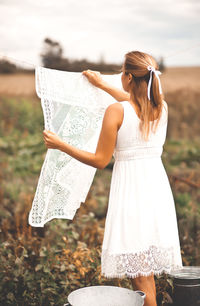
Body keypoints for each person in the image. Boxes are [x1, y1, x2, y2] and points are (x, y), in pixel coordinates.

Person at [43, 50, 183, 306]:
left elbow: (100, 160)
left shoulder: (115, 111)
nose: (120, 75)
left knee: (140, 277)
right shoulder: (160, 107)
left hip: (132, 193)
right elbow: (131, 103)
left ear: (128, 77)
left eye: (121, 71)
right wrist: (102, 84)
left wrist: (61, 145)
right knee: (145, 274)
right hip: (156, 190)